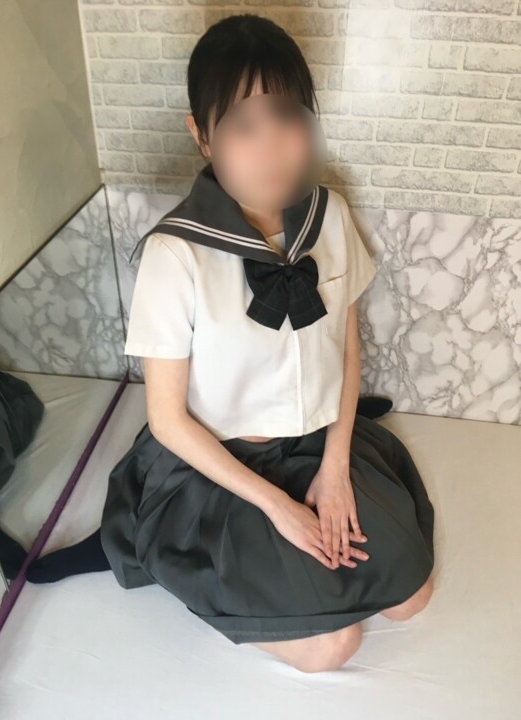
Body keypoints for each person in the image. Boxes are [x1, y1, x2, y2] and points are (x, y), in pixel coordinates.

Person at [26, 14, 435, 674]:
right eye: (243, 126)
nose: (271, 147)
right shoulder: (174, 253)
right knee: (333, 648)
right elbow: (168, 421)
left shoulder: (329, 215)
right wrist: (280, 508)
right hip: (215, 469)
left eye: (287, 116)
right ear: (201, 133)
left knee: (411, 598)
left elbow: (347, 348)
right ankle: (178, 566)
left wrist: (334, 471)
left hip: (313, 445)